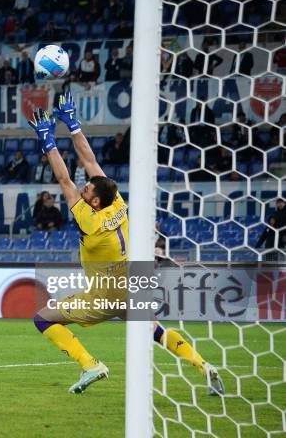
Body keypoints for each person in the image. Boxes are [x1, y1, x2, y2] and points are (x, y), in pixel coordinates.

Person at [28, 92, 224, 395]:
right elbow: (90, 159)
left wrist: (48, 141)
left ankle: (90, 363)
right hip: (136, 278)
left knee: (43, 318)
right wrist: (74, 125)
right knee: (155, 331)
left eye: (88, 188)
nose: (84, 186)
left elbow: (64, 180)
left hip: (107, 291)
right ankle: (203, 365)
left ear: (93, 200)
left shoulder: (88, 220)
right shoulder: (117, 201)